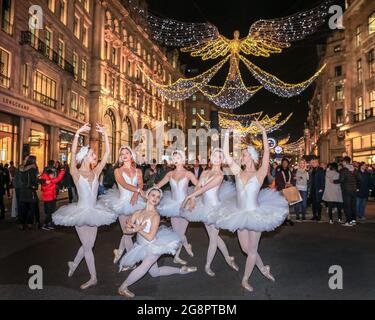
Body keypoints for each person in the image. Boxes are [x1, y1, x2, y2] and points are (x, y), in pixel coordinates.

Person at [216, 121, 289, 292]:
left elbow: (267, 154)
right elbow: (226, 155)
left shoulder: (260, 172)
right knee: (245, 249)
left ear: (251, 156)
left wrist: (263, 131)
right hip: (240, 213)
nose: (241, 157)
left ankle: (245, 279)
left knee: (253, 250)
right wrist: (228, 134)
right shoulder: (238, 172)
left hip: (256, 215)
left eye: (244, 154)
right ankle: (263, 268)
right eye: (241, 155)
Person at [52, 123, 117, 290]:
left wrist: (105, 135)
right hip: (80, 212)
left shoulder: (96, 172)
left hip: (95, 211)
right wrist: (77, 133)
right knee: (88, 246)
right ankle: (93, 277)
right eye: (92, 153)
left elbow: (108, 153)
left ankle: (73, 264)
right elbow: (72, 153)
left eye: (95, 154)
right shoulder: (75, 172)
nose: (95, 156)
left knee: (88, 245)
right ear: (85, 156)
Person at [118, 187, 197, 298]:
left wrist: (138, 229)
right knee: (155, 273)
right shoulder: (137, 213)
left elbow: (150, 237)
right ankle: (181, 270)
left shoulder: (155, 216)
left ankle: (123, 287)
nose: (155, 198)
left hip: (153, 246)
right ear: (147, 196)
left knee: (143, 267)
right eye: (153, 195)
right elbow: (126, 230)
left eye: (158, 197)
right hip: (141, 245)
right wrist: (132, 230)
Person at [181, 148, 239, 277]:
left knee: (213, 239)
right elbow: (198, 187)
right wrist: (193, 200)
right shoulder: (205, 172)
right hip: (204, 209)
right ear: (210, 157)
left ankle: (207, 265)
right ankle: (228, 258)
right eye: (214, 155)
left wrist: (189, 197)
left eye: (219, 156)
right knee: (216, 238)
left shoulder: (220, 175)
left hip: (215, 210)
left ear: (222, 160)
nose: (216, 158)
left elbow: (205, 188)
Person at [100, 145, 145, 266]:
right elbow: (124, 184)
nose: (124, 155)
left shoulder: (138, 171)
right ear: (120, 157)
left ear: (131, 155)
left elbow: (141, 184)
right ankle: (131, 261)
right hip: (123, 203)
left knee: (129, 232)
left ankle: (119, 251)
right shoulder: (117, 171)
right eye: (122, 153)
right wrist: (137, 191)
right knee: (128, 232)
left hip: (136, 203)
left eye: (127, 153)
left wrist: (137, 193)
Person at [156, 150, 199, 265]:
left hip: (185, 205)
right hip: (172, 205)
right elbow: (158, 185)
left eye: (178, 157)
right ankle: (186, 245)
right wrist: (148, 191)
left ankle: (177, 256)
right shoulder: (170, 174)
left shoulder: (188, 174)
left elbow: (199, 186)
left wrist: (192, 198)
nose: (175, 159)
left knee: (180, 233)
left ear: (183, 159)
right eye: (174, 157)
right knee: (177, 233)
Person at [17, 156, 43, 230]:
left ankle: (21, 223)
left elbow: (21, 171)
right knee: (32, 208)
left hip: (22, 190)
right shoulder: (33, 169)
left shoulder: (21, 167)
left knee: (23, 208)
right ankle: (30, 223)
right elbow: (36, 179)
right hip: (30, 191)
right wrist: (43, 181)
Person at [334, 156, 358, 227]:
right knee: (353, 206)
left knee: (347, 206)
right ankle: (353, 220)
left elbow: (341, 180)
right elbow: (359, 178)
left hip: (346, 190)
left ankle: (348, 221)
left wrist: (334, 181)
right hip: (353, 190)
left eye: (342, 161)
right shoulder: (354, 169)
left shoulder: (344, 169)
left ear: (344, 162)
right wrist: (357, 187)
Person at [275, 158, 294, 225]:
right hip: (282, 189)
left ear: (288, 163)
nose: (285, 164)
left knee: (287, 205)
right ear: (282, 163)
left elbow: (292, 178)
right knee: (283, 205)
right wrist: (284, 185)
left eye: (286, 163)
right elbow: (277, 180)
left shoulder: (289, 170)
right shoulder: (278, 169)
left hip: (288, 189)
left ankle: (288, 218)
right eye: (284, 162)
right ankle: (284, 219)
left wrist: (291, 183)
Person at [309, 156, 325, 222]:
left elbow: (323, 180)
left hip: (318, 189)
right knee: (313, 203)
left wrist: (322, 188)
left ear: (317, 163)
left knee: (318, 203)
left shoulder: (320, 169)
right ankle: (314, 215)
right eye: (312, 162)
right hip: (313, 189)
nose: (313, 163)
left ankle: (319, 216)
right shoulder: (312, 170)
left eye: (314, 162)